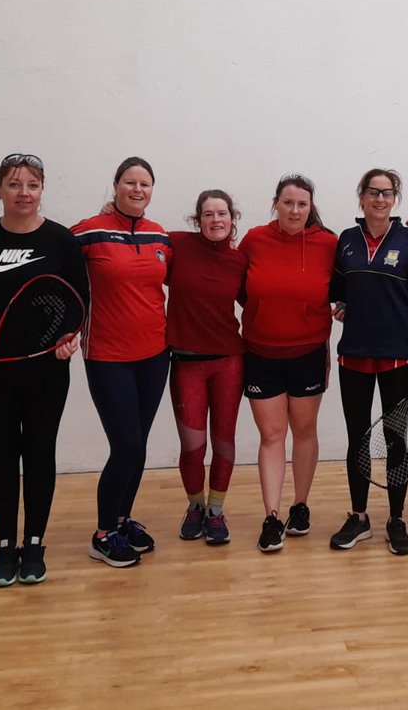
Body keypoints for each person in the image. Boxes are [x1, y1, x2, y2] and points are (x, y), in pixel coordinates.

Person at [0, 153, 88, 587]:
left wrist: (68, 337)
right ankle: (5, 547)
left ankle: (34, 545)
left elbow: (77, 301)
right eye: (14, 184)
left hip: (47, 374)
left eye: (32, 185)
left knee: (40, 453)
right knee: (3, 456)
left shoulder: (61, 241)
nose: (23, 193)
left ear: (42, 190)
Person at [329, 169, 408, 556]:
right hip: (354, 355)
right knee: (357, 438)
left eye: (387, 193)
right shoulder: (347, 240)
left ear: (395, 198)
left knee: (395, 440)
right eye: (373, 192)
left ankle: (396, 519)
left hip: (398, 359)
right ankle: (359, 517)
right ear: (361, 196)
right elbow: (338, 288)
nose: (379, 199)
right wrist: (342, 304)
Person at [72, 156, 171, 568]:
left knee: (139, 445)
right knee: (126, 445)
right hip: (107, 357)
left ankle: (121, 519)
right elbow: (61, 280)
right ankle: (102, 535)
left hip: (155, 356)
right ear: (115, 186)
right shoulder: (87, 232)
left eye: (145, 184)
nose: (137, 189)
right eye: (130, 182)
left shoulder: (160, 235)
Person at [238, 174, 338, 553]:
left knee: (304, 430)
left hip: (308, 353)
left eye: (302, 204)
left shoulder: (328, 243)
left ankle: (300, 506)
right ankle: (272, 516)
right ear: (276, 204)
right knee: (272, 435)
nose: (295, 210)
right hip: (260, 353)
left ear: (310, 208)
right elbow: (239, 288)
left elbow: (350, 283)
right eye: (288, 203)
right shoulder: (254, 240)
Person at [166, 190, 248, 546]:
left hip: (229, 361)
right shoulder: (176, 245)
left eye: (222, 213)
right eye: (209, 214)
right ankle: (195, 506)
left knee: (224, 441)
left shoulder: (239, 261)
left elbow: (261, 302)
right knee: (193, 446)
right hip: (187, 363)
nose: (216, 220)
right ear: (197, 220)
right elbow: (138, 247)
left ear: (232, 218)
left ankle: (216, 510)